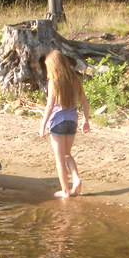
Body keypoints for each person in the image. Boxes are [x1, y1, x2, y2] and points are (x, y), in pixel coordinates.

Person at [39, 50, 90, 198]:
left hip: (58, 122)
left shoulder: (54, 82)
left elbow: (50, 106)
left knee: (60, 159)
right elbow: (84, 101)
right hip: (72, 121)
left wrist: (42, 125)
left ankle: (65, 191)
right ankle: (76, 178)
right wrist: (86, 120)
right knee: (67, 154)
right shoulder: (74, 79)